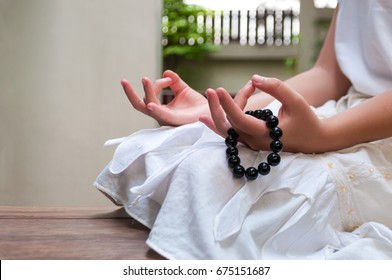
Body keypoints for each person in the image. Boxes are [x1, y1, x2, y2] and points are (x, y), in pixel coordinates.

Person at [95, 0, 392, 259]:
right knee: (173, 150)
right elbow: (329, 74)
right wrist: (231, 110)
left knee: (288, 193)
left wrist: (323, 137)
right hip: (345, 109)